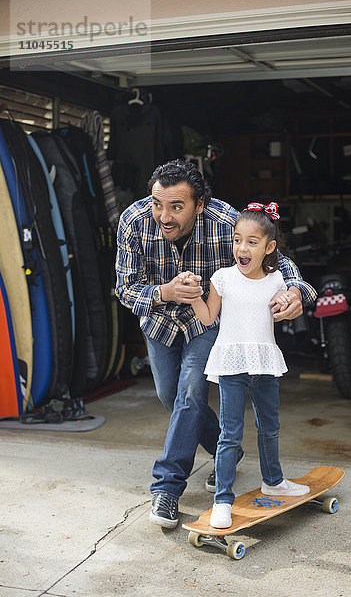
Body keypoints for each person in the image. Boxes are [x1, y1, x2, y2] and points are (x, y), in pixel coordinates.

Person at [115, 160, 316, 529]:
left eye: (177, 207)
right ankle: (230, 449)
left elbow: (280, 262)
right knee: (170, 397)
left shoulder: (227, 223)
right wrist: (165, 291)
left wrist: (296, 292)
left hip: (205, 319)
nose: (164, 215)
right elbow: (125, 288)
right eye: (158, 203)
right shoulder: (133, 221)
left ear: (200, 204)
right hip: (159, 320)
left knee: (191, 393)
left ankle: (167, 488)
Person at [182, 201, 311, 528]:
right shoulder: (223, 278)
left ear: (269, 248)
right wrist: (194, 294)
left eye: (252, 242)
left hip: (264, 362)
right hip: (232, 364)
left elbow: (288, 302)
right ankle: (222, 498)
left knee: (270, 426)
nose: (242, 247)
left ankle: (274, 480)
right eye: (238, 239)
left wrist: (286, 300)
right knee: (230, 434)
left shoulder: (277, 280)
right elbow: (209, 317)